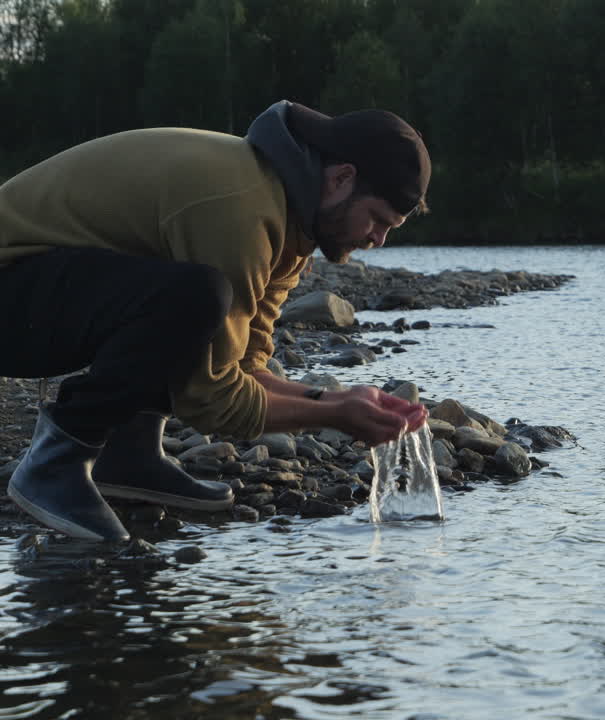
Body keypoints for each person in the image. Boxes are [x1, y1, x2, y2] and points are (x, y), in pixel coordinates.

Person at [0, 100, 431, 543]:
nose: (378, 240)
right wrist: (335, 416)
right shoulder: (242, 209)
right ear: (342, 178)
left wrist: (333, 396)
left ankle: (129, 455)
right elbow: (212, 399)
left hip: (40, 289)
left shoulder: (290, 218)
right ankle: (55, 462)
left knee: (191, 298)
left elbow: (243, 364)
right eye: (378, 220)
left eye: (389, 228)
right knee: (196, 296)